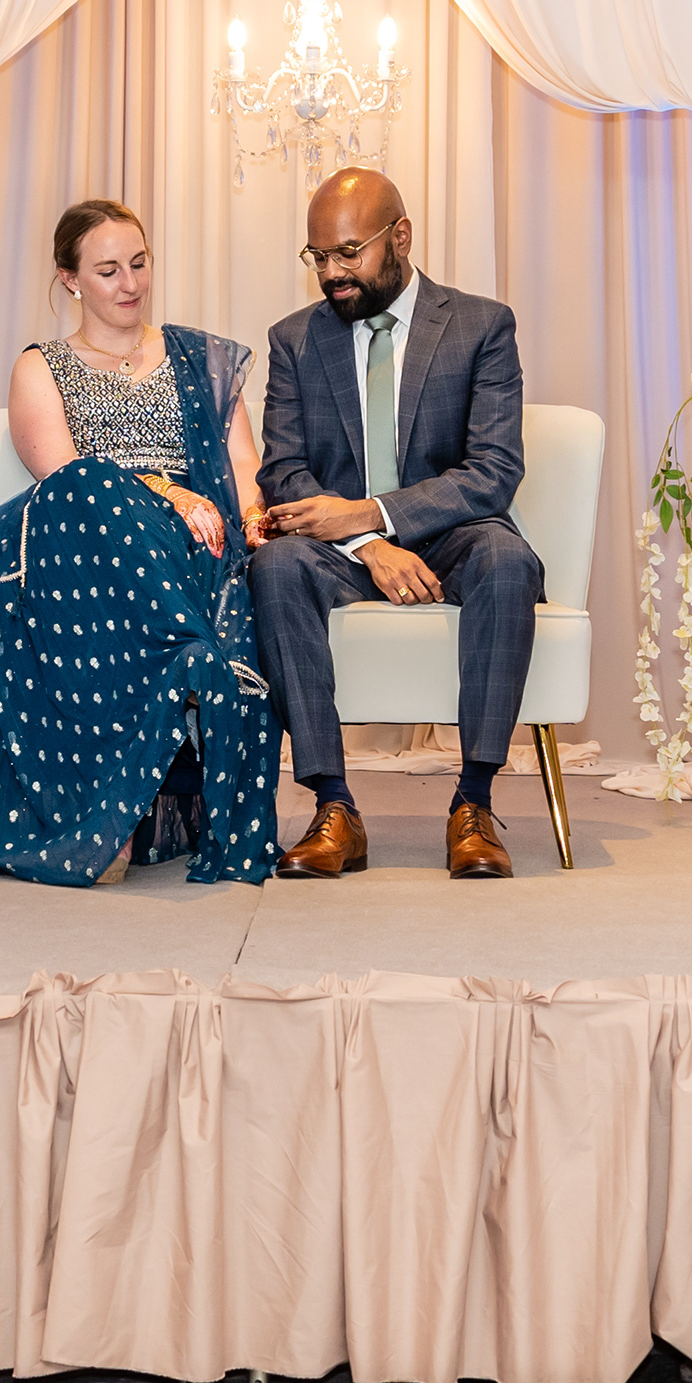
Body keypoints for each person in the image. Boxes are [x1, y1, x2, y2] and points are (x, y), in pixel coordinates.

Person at [0, 200, 276, 886]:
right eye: (109, 270)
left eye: (139, 264)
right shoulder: (42, 366)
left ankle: (176, 682)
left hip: (191, 541)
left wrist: (256, 517)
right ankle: (178, 674)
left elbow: (242, 470)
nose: (130, 283)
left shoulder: (198, 358)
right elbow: (59, 474)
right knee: (87, 486)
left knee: (215, 536)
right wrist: (166, 492)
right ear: (70, 280)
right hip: (85, 545)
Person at [250, 167, 538, 879]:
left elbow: (494, 469)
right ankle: (334, 808)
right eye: (318, 256)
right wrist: (368, 542)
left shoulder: (481, 326)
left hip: (453, 534)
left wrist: (379, 513)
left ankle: (473, 804)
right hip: (342, 549)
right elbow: (283, 472)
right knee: (275, 564)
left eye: (349, 252)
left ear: (400, 236)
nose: (332, 272)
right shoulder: (294, 340)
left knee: (508, 560)